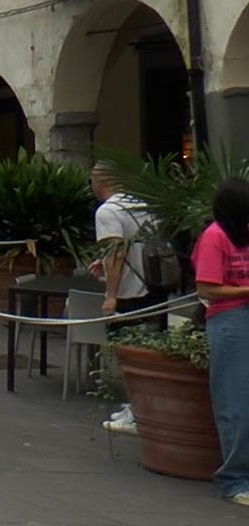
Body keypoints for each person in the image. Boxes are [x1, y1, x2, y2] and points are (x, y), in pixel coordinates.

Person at [90, 161, 160, 434]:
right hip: (154, 287)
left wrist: (111, 295)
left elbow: (116, 253)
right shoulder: (144, 205)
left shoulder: (107, 212)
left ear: (100, 182)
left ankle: (138, 411)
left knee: (127, 354)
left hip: (129, 292)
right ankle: (138, 406)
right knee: (148, 352)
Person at [192, 178, 249, 508]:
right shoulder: (215, 236)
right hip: (230, 320)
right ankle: (235, 479)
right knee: (236, 401)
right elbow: (207, 288)